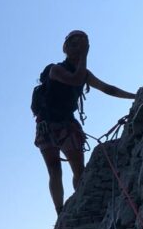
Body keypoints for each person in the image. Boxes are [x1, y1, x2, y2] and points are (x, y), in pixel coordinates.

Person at [33, 30, 136, 215]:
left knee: (77, 170)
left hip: (59, 125)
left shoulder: (83, 73)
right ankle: (61, 212)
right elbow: (75, 80)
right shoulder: (55, 70)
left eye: (83, 42)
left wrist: (134, 96)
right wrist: (84, 56)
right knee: (55, 169)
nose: (79, 45)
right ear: (66, 48)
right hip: (50, 124)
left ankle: (76, 205)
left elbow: (107, 89)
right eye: (75, 42)